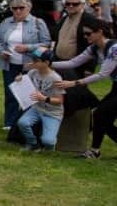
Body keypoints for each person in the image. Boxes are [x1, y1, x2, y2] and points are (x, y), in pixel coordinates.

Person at [50, 20, 117, 159]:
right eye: (84, 34)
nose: (86, 37)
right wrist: (47, 64)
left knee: (100, 114)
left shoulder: (114, 48)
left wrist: (74, 83)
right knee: (100, 116)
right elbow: (73, 62)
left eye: (88, 33)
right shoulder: (94, 48)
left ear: (100, 32)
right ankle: (94, 151)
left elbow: (102, 74)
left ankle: (94, 151)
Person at [0, 0, 52, 131]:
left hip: (30, 64)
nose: (18, 11)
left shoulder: (38, 23)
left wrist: (28, 48)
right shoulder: (5, 22)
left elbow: (46, 43)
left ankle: (29, 123)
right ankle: (10, 123)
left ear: (29, 8)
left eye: (21, 8)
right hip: (9, 64)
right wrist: (2, 52)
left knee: (29, 95)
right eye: (14, 8)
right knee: (11, 94)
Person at [14, 47, 65, 152]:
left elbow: (60, 101)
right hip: (37, 108)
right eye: (32, 60)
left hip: (53, 113)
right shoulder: (33, 72)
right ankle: (32, 143)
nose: (33, 63)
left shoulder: (55, 78)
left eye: (36, 61)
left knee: (48, 141)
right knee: (22, 123)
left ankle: (48, 148)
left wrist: (44, 98)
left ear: (46, 62)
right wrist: (19, 79)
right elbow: (25, 82)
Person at [53, 0, 102, 78]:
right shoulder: (64, 19)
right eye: (68, 3)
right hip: (59, 63)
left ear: (82, 4)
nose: (71, 6)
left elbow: (95, 45)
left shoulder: (89, 19)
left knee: (75, 91)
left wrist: (90, 68)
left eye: (75, 4)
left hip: (77, 67)